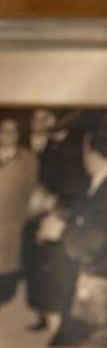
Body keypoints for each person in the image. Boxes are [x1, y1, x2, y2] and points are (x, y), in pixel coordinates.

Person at [47, 112, 107, 347]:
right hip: (96, 281)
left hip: (98, 286)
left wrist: (59, 231)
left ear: (92, 150)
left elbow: (91, 245)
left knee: (68, 346)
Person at [22, 109, 87, 331]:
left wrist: (55, 204)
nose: (39, 122)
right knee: (36, 265)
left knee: (55, 266)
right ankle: (42, 313)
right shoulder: (38, 144)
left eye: (45, 117)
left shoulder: (71, 146)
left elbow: (77, 183)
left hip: (58, 213)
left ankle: (56, 317)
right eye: (36, 117)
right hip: (34, 212)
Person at [0, 117, 38, 307]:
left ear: (19, 134)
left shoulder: (28, 160)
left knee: (6, 275)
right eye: (4, 131)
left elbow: (31, 193)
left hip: (11, 226)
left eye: (13, 131)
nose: (8, 135)